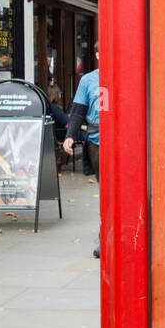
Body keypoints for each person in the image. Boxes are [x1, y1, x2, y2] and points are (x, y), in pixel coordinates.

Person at [64, 42, 100, 257]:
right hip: (97, 140)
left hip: (125, 141)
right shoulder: (88, 80)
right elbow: (78, 111)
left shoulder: (126, 75)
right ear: (97, 55)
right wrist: (69, 136)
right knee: (105, 189)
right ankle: (106, 234)